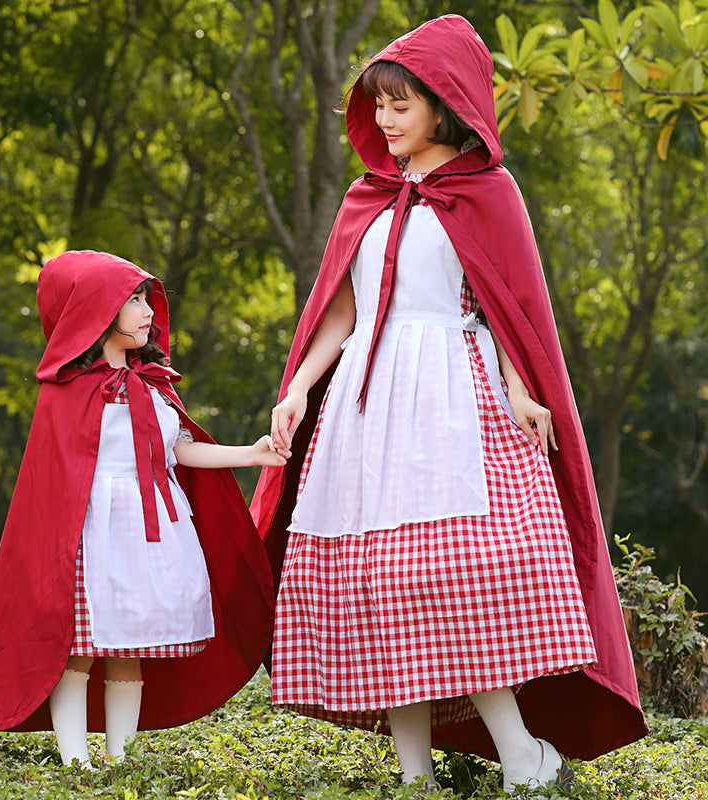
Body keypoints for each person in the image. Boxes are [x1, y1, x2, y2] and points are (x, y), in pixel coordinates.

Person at [251, 15, 647, 794]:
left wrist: (521, 390)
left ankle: (525, 753)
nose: (385, 119)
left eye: (401, 104)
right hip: (367, 405)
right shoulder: (367, 196)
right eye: (380, 105)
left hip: (451, 398)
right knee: (380, 587)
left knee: (457, 577)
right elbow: (340, 309)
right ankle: (414, 776)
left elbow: (509, 308)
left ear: (445, 103)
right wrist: (296, 388)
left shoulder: (487, 190)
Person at [0, 250, 285, 768]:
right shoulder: (64, 392)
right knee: (81, 646)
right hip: (91, 532)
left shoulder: (155, 386)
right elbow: (50, 485)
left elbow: (178, 451)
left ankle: (120, 760)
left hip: (152, 530)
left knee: (129, 646)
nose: (146, 309)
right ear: (94, 311)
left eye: (144, 298)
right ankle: (75, 762)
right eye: (130, 299)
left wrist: (251, 453)